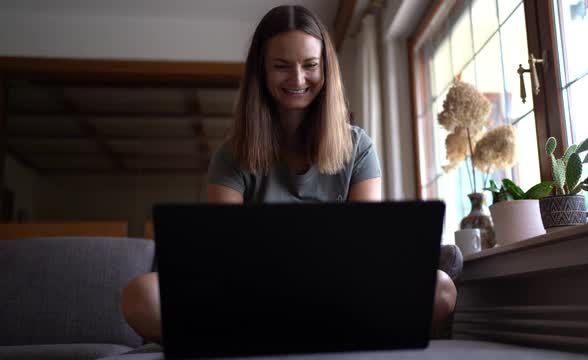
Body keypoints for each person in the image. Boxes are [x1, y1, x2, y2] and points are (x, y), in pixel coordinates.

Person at [121, 5, 457, 343]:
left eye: (310, 65)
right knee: (141, 295)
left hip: (340, 297)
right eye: (281, 67)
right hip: (253, 300)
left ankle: (290, 339)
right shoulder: (231, 156)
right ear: (262, 73)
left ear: (325, 69)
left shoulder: (358, 147)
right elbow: (220, 259)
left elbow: (365, 256)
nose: (297, 80)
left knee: (440, 288)